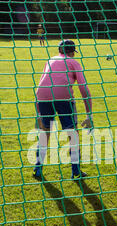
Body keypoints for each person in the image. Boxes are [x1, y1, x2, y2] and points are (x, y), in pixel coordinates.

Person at [33, 39, 93, 180]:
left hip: (43, 97)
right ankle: (76, 171)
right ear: (72, 52)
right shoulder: (73, 62)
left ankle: (37, 169)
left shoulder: (50, 60)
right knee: (73, 134)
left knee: (44, 133)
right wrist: (89, 115)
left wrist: (39, 114)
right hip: (63, 98)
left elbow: (40, 86)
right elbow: (84, 89)